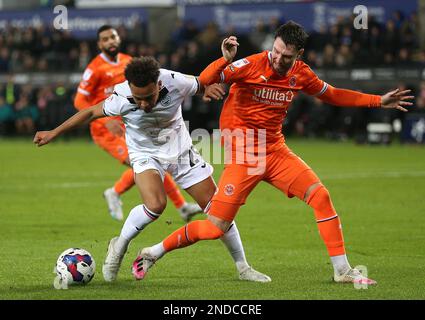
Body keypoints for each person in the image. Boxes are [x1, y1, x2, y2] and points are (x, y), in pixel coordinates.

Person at [134, 21, 414, 285]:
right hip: (244, 155)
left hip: (276, 151)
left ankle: (342, 271)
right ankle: (154, 252)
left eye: (286, 56)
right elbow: (207, 79)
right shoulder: (249, 65)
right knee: (216, 227)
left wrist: (378, 100)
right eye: (276, 51)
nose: (278, 59)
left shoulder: (301, 73)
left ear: (299, 54)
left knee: (321, 197)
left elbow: (333, 94)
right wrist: (225, 59)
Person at [33, 56, 270, 283]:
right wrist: (54, 132)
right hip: (144, 153)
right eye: (138, 99)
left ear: (158, 84)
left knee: (218, 210)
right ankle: (120, 245)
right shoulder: (121, 96)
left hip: (180, 150)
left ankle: (243, 267)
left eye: (148, 97)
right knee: (156, 205)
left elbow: (201, 83)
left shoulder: (174, 81)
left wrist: (207, 89)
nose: (143, 104)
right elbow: (90, 112)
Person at [74, 25, 201, 221]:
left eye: (113, 37)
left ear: (119, 39)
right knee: (147, 164)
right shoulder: (94, 69)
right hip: (106, 130)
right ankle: (115, 192)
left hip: (130, 125)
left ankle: (181, 206)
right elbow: (79, 102)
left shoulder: (128, 62)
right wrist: (106, 120)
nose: (111, 41)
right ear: (99, 44)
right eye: (106, 39)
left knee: (154, 163)